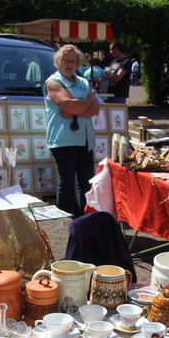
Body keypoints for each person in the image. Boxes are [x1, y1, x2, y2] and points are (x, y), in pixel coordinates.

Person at [44, 44, 100, 218]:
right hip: (63, 139)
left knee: (85, 182)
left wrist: (74, 107)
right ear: (59, 61)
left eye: (73, 61)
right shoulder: (53, 82)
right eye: (66, 61)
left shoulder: (83, 82)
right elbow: (67, 104)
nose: (69, 64)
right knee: (67, 182)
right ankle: (65, 219)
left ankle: (84, 218)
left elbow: (95, 108)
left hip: (84, 139)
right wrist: (81, 104)